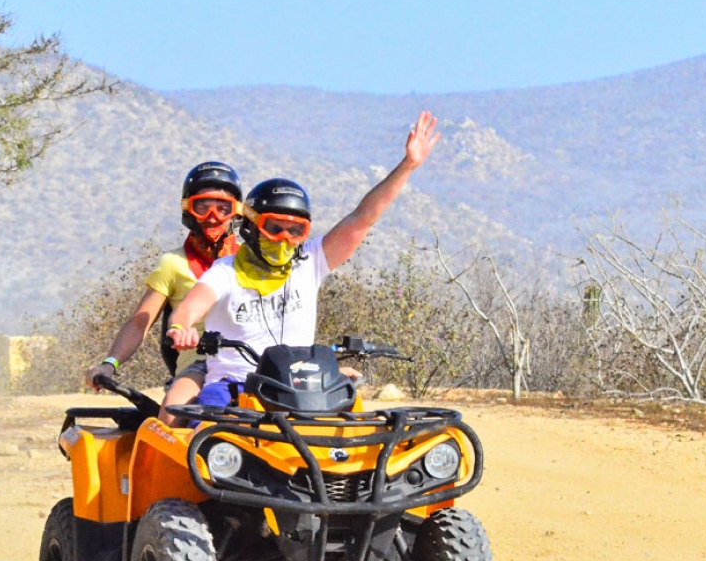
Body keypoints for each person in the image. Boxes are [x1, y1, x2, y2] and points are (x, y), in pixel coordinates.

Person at [167, 112, 440, 407]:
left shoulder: (311, 262)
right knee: (205, 433)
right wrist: (181, 328)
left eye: (296, 231)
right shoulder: (225, 272)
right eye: (274, 228)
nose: (284, 238)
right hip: (234, 387)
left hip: (298, 388)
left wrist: (408, 165)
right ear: (251, 226)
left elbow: (363, 218)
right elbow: (189, 309)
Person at [85, 161, 242, 423]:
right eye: (202, 206)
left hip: (249, 364)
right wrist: (109, 364)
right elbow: (140, 321)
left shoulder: (251, 263)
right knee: (170, 416)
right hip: (199, 365)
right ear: (188, 210)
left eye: (222, 207)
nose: (213, 216)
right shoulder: (172, 263)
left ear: (236, 212)